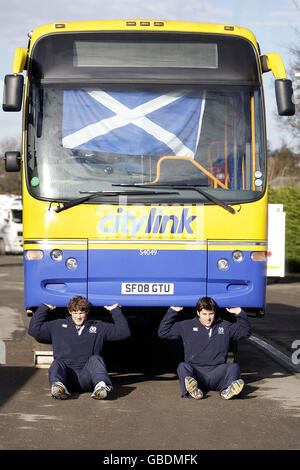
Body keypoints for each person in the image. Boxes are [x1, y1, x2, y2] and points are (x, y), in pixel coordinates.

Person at [28, 296, 131, 400]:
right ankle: (58, 388)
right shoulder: (57, 325)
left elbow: (124, 332)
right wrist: (44, 308)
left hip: (88, 377)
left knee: (96, 359)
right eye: (75, 312)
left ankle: (101, 387)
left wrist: (115, 310)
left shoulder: (98, 326)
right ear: (69, 311)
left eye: (81, 313)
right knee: (57, 363)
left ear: (87, 312)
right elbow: (33, 330)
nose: (78, 316)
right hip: (66, 378)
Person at [158, 296, 251, 400]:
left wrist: (239, 312)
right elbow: (163, 332)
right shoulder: (186, 326)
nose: (208, 318)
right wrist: (172, 311)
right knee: (183, 366)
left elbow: (245, 332)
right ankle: (192, 391)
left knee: (234, 367)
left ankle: (228, 391)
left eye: (211, 314)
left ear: (215, 313)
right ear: (198, 313)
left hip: (217, 372)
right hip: (196, 374)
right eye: (204, 314)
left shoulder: (225, 326)